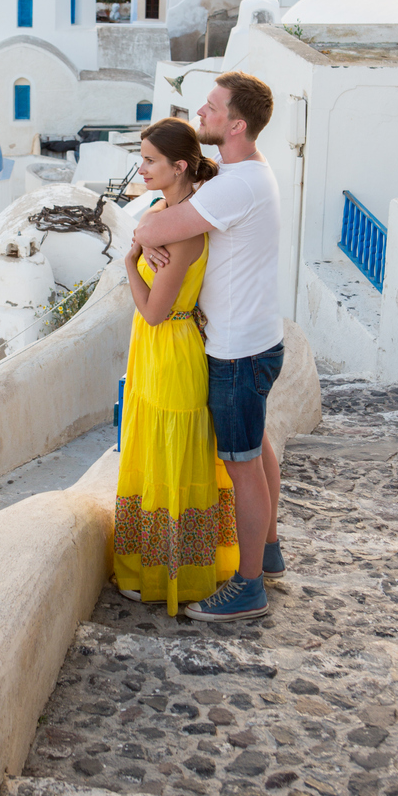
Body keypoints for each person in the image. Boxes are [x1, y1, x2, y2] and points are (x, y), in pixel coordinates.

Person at [134, 71, 284, 622]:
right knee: (258, 445)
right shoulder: (245, 174)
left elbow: (153, 231)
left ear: (237, 124)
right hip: (258, 338)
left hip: (238, 348)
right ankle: (267, 551)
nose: (201, 111)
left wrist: (140, 248)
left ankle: (249, 587)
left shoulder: (234, 185)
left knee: (241, 464)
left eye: (213, 107)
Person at [114, 118, 240, 616]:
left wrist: (131, 262)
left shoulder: (184, 229)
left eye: (149, 160)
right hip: (152, 352)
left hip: (170, 348)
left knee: (171, 463)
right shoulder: (162, 213)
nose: (140, 168)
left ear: (179, 166)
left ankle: (174, 577)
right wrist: (143, 245)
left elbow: (154, 311)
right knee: (151, 454)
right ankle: (149, 567)